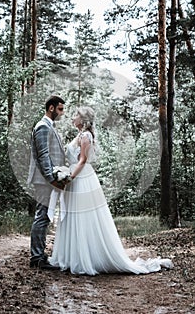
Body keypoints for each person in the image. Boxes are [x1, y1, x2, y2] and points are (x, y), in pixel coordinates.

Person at [49, 106, 174, 275]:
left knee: (82, 217)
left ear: (83, 119)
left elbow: (83, 160)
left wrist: (70, 177)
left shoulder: (85, 136)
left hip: (81, 178)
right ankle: (73, 256)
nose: (73, 117)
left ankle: (85, 258)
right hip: (75, 177)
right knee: (73, 216)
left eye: (76, 115)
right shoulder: (79, 135)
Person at [27, 95, 66, 270]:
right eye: (60, 109)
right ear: (51, 108)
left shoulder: (51, 127)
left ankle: (39, 254)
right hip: (43, 180)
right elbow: (43, 155)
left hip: (47, 179)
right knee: (42, 216)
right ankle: (36, 258)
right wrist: (52, 179)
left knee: (44, 215)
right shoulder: (42, 126)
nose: (62, 112)